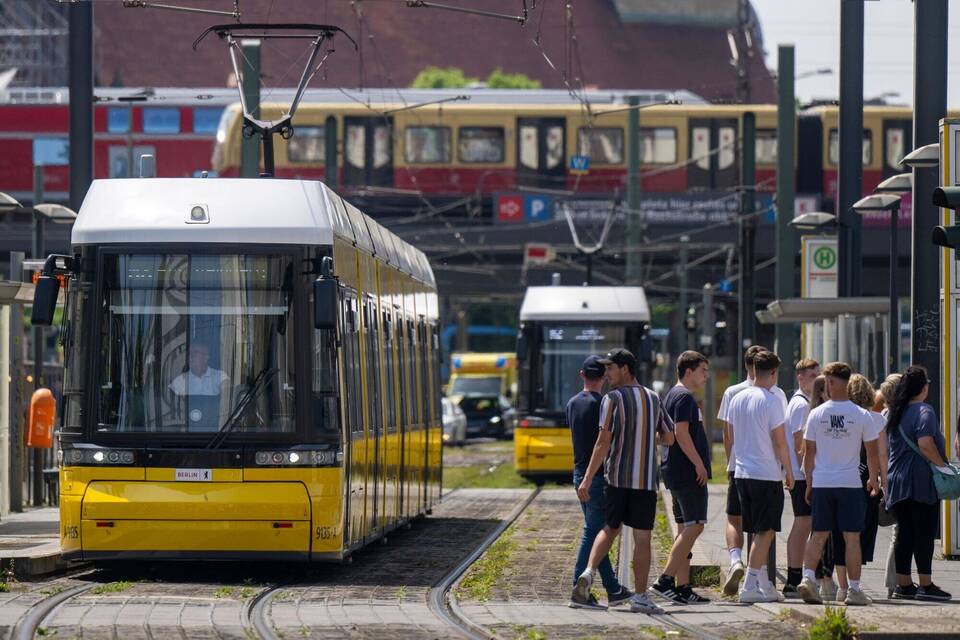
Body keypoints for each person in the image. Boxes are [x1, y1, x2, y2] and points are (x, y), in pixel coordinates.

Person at [571, 348, 676, 614]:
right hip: (644, 481)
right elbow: (669, 437)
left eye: (611, 368)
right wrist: (646, 437)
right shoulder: (653, 398)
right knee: (643, 538)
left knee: (609, 528)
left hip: (616, 477)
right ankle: (640, 597)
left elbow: (602, 442)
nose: (606, 373)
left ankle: (589, 572)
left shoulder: (612, 399)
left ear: (625, 369)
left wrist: (585, 479)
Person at [797, 362, 880, 607]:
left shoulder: (817, 414)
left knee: (819, 535)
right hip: (850, 484)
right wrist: (873, 479)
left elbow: (808, 453)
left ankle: (808, 578)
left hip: (823, 483)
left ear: (830, 383)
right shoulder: (862, 415)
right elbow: (872, 452)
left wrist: (809, 483)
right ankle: (854, 590)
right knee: (852, 538)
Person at [716, 345, 788, 595]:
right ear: (774, 373)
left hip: (741, 470)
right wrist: (788, 470)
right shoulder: (773, 398)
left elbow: (729, 435)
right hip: (766, 472)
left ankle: (763, 583)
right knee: (765, 530)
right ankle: (750, 585)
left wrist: (731, 462)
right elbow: (780, 441)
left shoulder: (735, 397)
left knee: (743, 523)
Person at [566, 355, 632, 609]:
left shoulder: (572, 403)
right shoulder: (605, 403)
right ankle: (578, 589)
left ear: (582, 375)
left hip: (579, 473)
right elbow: (605, 442)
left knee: (597, 532)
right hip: (597, 476)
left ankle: (613, 588)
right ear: (603, 377)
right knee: (594, 531)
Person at [884, 366, 952, 601]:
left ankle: (905, 584)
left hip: (898, 482)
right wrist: (943, 466)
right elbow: (925, 443)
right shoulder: (925, 410)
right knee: (924, 533)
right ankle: (926, 584)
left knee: (905, 534)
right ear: (924, 388)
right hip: (920, 482)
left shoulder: (896, 412)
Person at [651, 351, 711, 605]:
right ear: (688, 371)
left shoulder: (671, 394)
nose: (706, 376)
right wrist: (699, 464)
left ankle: (682, 587)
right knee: (695, 525)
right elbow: (681, 433)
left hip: (673, 469)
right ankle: (665, 580)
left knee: (684, 527)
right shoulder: (684, 397)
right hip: (687, 472)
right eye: (703, 371)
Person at [827, 373, 888, 602]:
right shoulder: (875, 419)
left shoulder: (837, 416)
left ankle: (842, 587)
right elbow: (881, 455)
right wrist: (884, 483)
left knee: (838, 535)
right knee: (858, 535)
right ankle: (855, 587)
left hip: (836, 480)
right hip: (865, 483)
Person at [782, 358, 820, 597]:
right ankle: (794, 577)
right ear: (801, 377)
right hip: (802, 474)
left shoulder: (805, 402)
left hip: (801, 473)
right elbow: (799, 444)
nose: (817, 380)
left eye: (819, 375)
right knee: (802, 523)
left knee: (806, 523)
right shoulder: (800, 404)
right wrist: (804, 475)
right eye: (813, 375)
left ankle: (801, 574)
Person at [878, 373, 902, 598]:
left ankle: (894, 583)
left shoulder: (883, 415)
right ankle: (895, 583)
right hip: (896, 478)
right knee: (900, 531)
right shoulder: (894, 417)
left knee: (899, 531)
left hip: (890, 477)